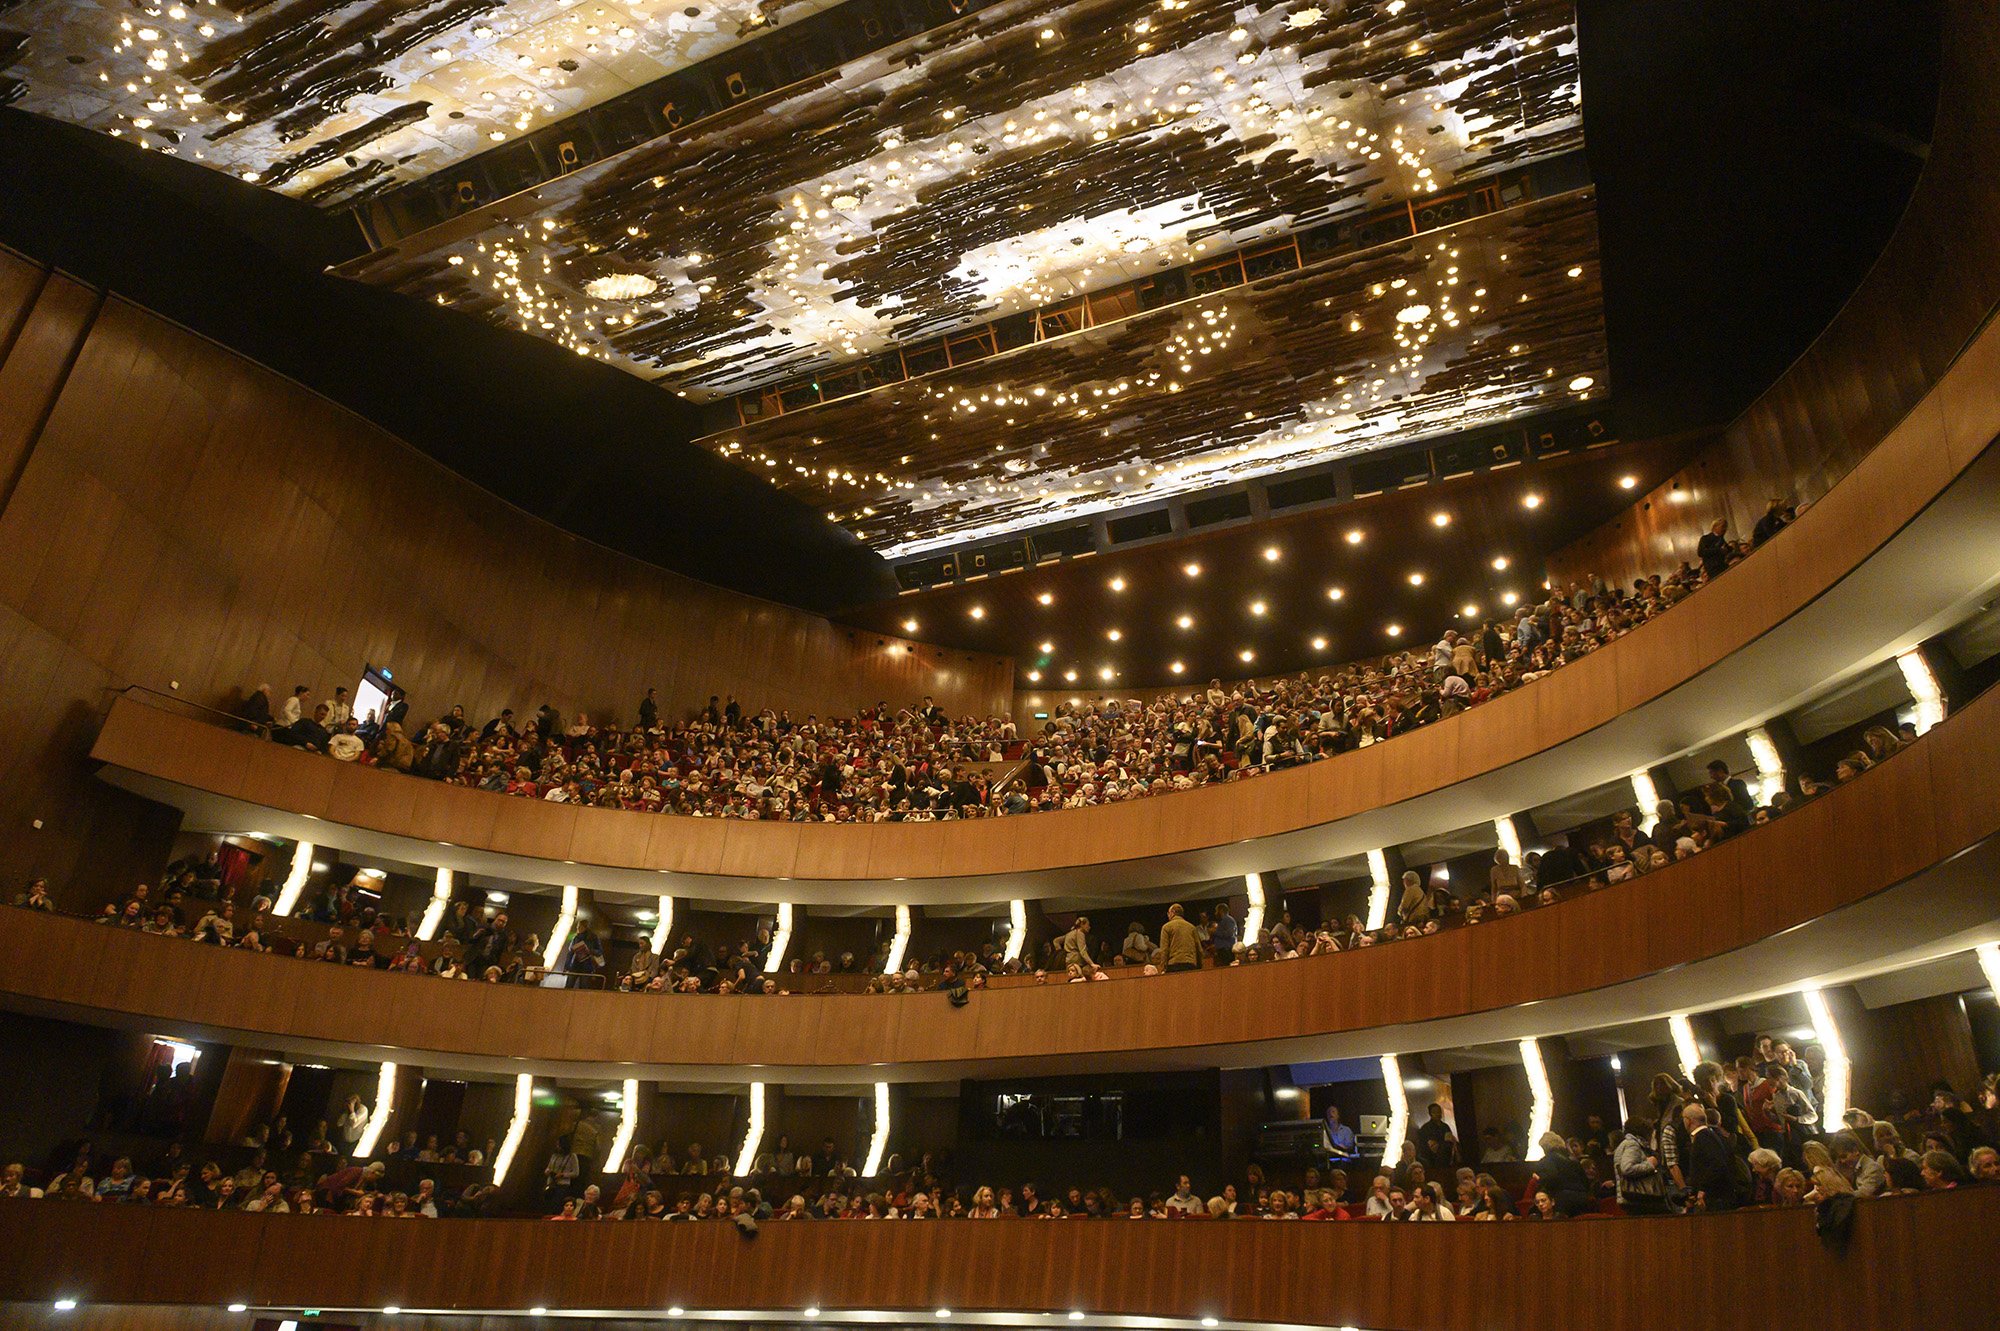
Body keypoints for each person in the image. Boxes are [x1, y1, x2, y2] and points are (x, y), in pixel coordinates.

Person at [1684, 1104, 1742, 1212]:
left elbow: (1717, 1164)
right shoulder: (1714, 1135)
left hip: (1714, 1198)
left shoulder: (1703, 1137)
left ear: (1688, 1121)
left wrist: (1702, 1189)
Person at [1157, 904, 1200, 973]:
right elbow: (1199, 949)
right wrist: (1199, 966)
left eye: (1168, 913)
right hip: (1190, 964)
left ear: (1172, 912)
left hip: (1174, 964)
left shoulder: (1166, 927)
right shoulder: (1191, 927)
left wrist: (1163, 968)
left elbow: (1164, 949)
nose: (1168, 915)